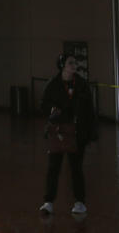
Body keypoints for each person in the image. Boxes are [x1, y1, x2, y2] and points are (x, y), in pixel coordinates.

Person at [39, 53, 96, 216]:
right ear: (63, 65)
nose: (74, 65)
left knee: (76, 168)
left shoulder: (82, 85)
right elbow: (43, 105)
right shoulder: (53, 84)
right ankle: (48, 202)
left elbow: (90, 110)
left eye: (75, 62)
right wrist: (53, 112)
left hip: (77, 133)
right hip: (58, 132)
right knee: (53, 168)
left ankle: (79, 202)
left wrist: (91, 132)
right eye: (71, 62)